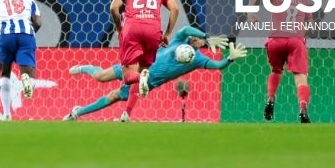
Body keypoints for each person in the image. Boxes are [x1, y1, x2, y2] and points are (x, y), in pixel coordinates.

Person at [63, 26, 246, 121]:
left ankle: (77, 112)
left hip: (148, 81)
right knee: (100, 76)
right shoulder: (178, 41)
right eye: (195, 37)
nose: (194, 38)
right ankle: (83, 68)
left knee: (113, 96)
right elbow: (185, 30)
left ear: (199, 44)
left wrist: (230, 58)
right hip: (135, 65)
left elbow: (218, 65)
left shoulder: (197, 59)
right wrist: (206, 35)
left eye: (198, 39)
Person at [111, 0, 179, 107]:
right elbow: (175, 8)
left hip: (132, 30)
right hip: (153, 31)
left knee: (128, 77)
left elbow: (114, 7)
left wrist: (119, 28)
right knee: (143, 71)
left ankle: (138, 78)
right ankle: (128, 111)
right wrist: (167, 33)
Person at [247, 0, 312, 123]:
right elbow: (310, 24)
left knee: (276, 70)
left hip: (276, 40)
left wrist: (250, 14)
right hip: (296, 41)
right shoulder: (304, 0)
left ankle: (270, 99)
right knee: (301, 77)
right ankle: (303, 108)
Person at [0, 0, 41, 121]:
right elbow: (38, 22)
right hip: (25, 34)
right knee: (28, 71)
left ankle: (6, 114)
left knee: (4, 73)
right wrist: (29, 34)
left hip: (4, 36)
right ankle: (28, 81)